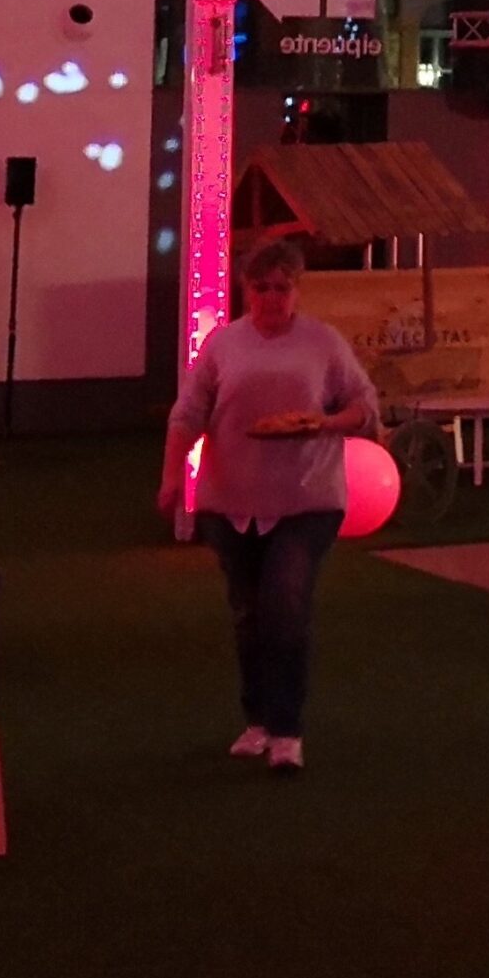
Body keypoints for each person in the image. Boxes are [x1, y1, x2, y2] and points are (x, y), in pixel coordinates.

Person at [158, 234, 380, 773]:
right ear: (245, 290)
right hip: (232, 499)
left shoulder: (323, 342)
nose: (272, 298)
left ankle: (287, 730)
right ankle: (256, 720)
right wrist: (171, 478)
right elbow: (188, 413)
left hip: (306, 498)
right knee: (249, 612)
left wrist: (323, 424)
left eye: (282, 288)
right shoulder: (224, 345)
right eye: (261, 288)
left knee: (285, 604)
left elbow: (364, 406)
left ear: (297, 291)